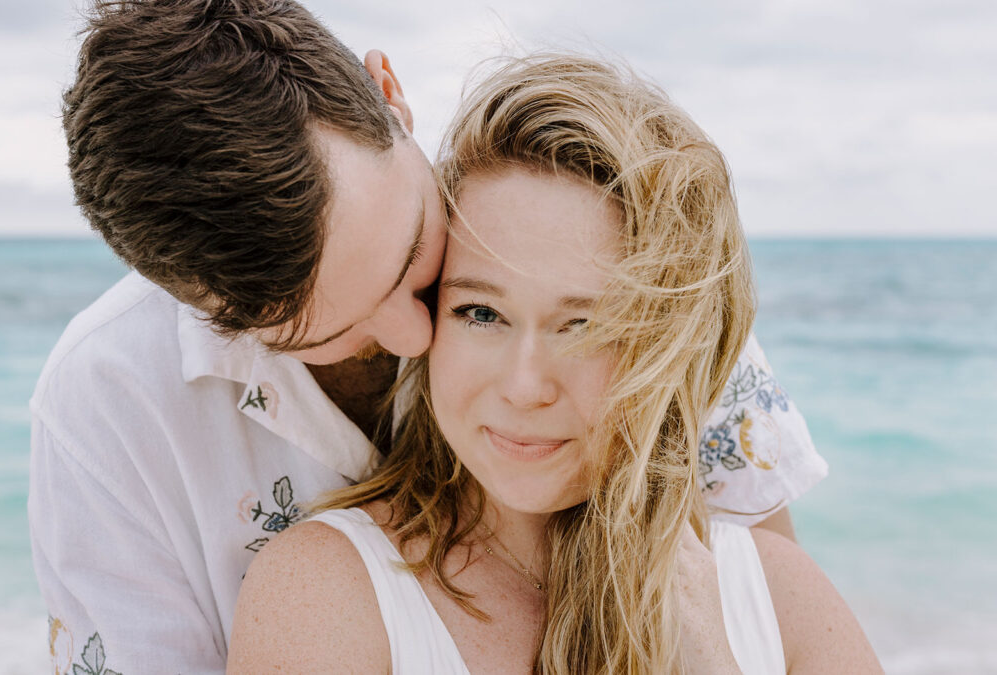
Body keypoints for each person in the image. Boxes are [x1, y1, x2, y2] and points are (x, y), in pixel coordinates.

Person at [30, 0, 824, 673]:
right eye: (326, 329)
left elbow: (759, 596)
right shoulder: (107, 402)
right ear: (206, 310)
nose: (413, 336)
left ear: (389, 96)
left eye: (412, 256)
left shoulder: (598, 259)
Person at [229, 53, 879, 673]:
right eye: (482, 313)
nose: (523, 385)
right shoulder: (327, 592)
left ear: (668, 346)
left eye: (587, 325)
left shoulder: (775, 593)